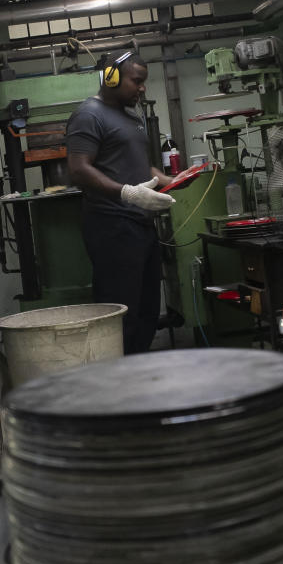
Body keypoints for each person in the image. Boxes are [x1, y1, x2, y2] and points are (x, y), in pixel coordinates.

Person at [67, 50, 188, 354]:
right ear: (111, 77)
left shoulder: (130, 117)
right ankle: (117, 385)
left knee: (147, 310)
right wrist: (127, 193)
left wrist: (171, 180)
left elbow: (141, 166)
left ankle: (138, 375)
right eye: (137, 81)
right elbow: (79, 168)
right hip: (112, 226)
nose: (142, 88)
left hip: (140, 225)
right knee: (121, 316)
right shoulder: (88, 114)